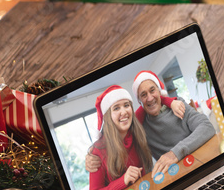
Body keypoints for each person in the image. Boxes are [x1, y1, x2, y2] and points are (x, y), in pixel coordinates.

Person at [86, 70, 215, 178]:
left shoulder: (178, 104)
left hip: (203, 163)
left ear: (159, 91)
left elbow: (207, 127)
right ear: (140, 101)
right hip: (177, 176)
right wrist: (91, 153)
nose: (149, 98)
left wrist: (174, 153)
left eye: (152, 90)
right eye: (143, 95)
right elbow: (116, 134)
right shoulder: (139, 126)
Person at [87, 85, 155, 190]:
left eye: (126, 105)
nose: (123, 112)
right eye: (116, 108)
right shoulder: (97, 151)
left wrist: (172, 102)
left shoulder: (135, 126)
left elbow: (152, 101)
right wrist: (122, 181)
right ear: (108, 116)